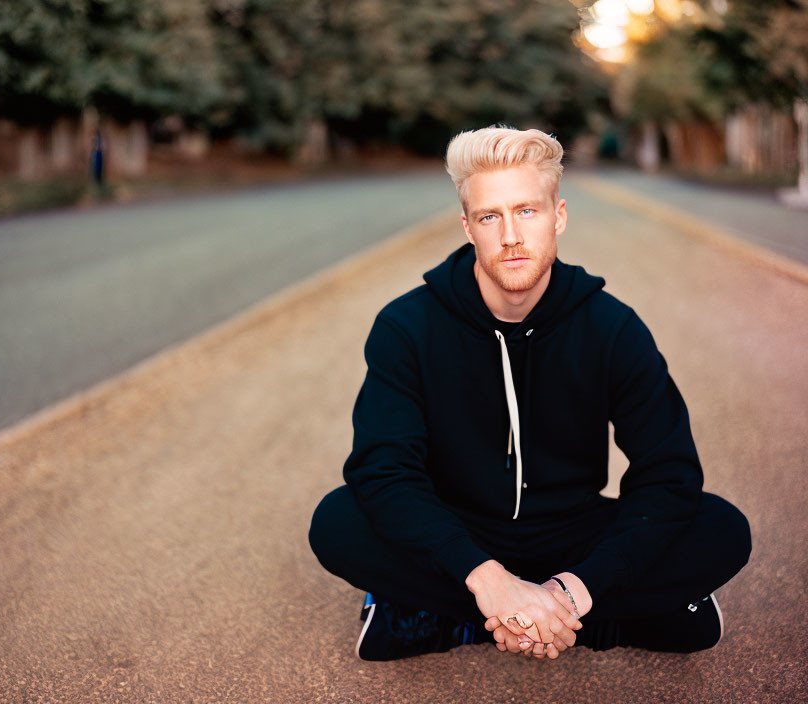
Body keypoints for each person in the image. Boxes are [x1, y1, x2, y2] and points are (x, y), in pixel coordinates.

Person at [308, 126, 751, 661]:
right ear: (467, 227)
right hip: (461, 534)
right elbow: (384, 472)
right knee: (337, 521)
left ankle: (456, 621)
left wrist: (575, 588)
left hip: (575, 533)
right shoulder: (407, 326)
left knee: (723, 528)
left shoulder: (611, 328)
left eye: (528, 211)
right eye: (490, 216)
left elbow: (669, 473)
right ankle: (603, 622)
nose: (510, 235)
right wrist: (487, 577)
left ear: (558, 216)